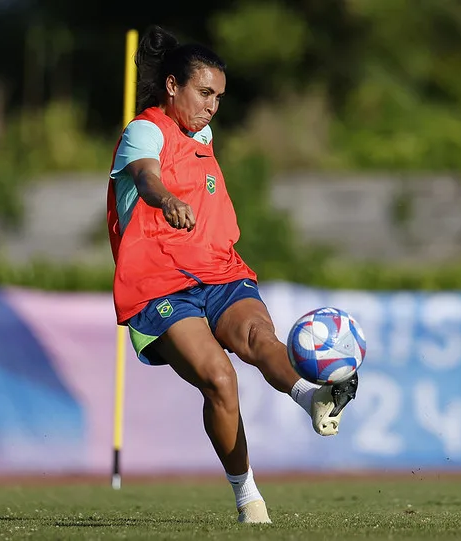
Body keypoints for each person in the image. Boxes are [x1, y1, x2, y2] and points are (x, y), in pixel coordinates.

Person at [106, 25, 358, 524]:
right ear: (172, 85)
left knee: (260, 339)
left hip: (218, 269)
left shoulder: (200, 131)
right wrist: (166, 200)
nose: (212, 106)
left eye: (219, 97)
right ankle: (248, 498)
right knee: (220, 379)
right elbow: (146, 177)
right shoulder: (145, 129)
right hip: (159, 285)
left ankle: (314, 397)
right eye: (204, 93)